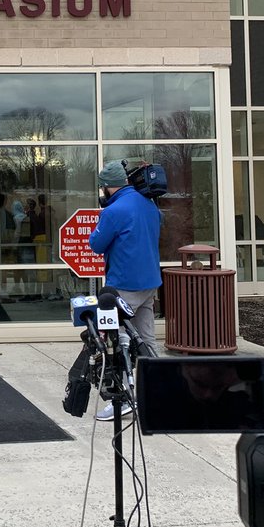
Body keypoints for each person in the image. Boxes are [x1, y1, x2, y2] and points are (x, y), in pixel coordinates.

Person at [87, 161, 162, 421]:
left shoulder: (113, 211)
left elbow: (96, 244)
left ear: (107, 186)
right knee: (147, 341)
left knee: (116, 343)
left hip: (124, 286)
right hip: (149, 282)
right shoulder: (149, 205)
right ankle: (156, 394)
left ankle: (122, 398)